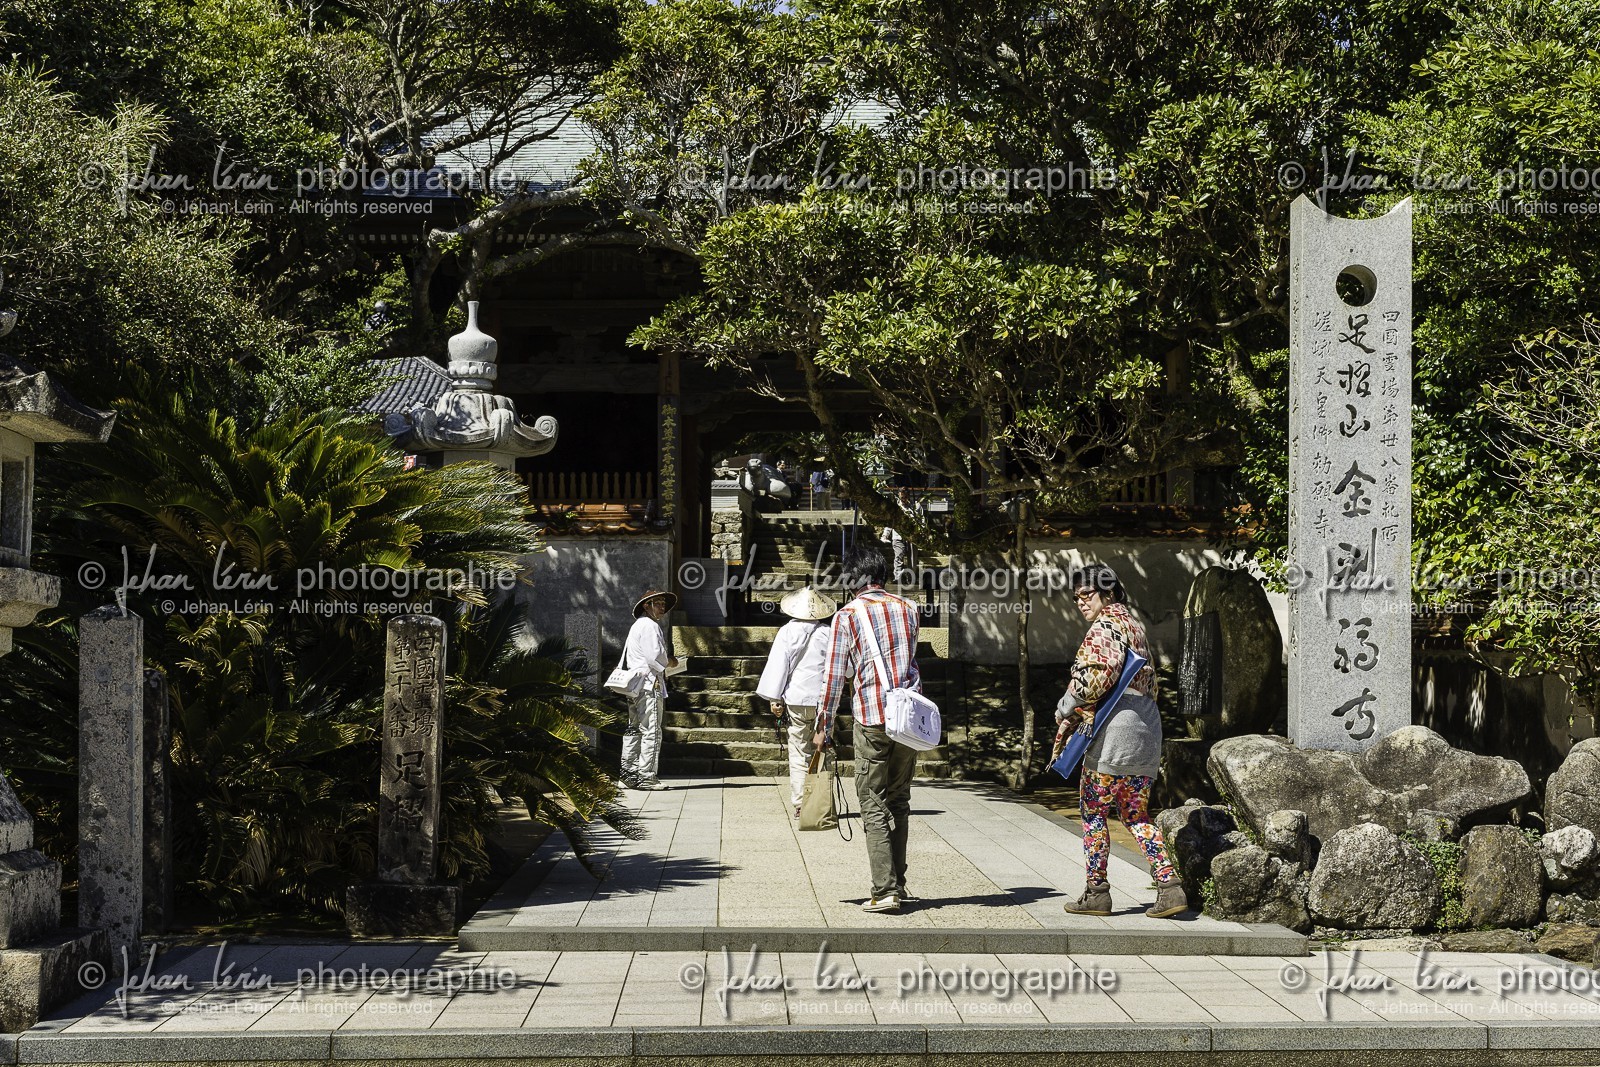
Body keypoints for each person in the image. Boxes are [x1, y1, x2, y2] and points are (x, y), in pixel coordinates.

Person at [1056, 564, 1187, 918]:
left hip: (1115, 728)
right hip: (1145, 725)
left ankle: (1096, 891)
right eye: (1076, 597)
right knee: (1135, 812)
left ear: (1109, 593)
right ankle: (1169, 886)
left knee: (1093, 811)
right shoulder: (1133, 624)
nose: (1081, 602)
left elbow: (1097, 675)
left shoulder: (1106, 625)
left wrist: (1067, 703)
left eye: (1087, 594)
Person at [814, 546, 922, 913]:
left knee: (872, 802)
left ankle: (885, 889)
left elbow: (833, 676)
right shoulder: (909, 609)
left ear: (852, 580)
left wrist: (823, 723)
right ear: (883, 576)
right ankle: (900, 882)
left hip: (873, 717)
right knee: (900, 800)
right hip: (907, 720)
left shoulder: (847, 615)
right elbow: (909, 660)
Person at [755, 587, 838, 817]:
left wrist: (775, 698)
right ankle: (822, 802)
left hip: (796, 699)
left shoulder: (787, 632)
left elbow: (778, 666)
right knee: (822, 750)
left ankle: (802, 803)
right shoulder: (828, 633)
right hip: (823, 700)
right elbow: (843, 667)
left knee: (799, 751)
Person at [620, 588, 679, 791]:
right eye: (658, 603)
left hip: (635, 685)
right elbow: (656, 657)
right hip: (648, 684)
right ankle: (646, 776)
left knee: (633, 729)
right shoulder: (650, 626)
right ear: (647, 606)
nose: (662, 607)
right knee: (651, 730)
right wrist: (672, 662)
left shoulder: (638, 626)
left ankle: (628, 774)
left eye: (663, 604)